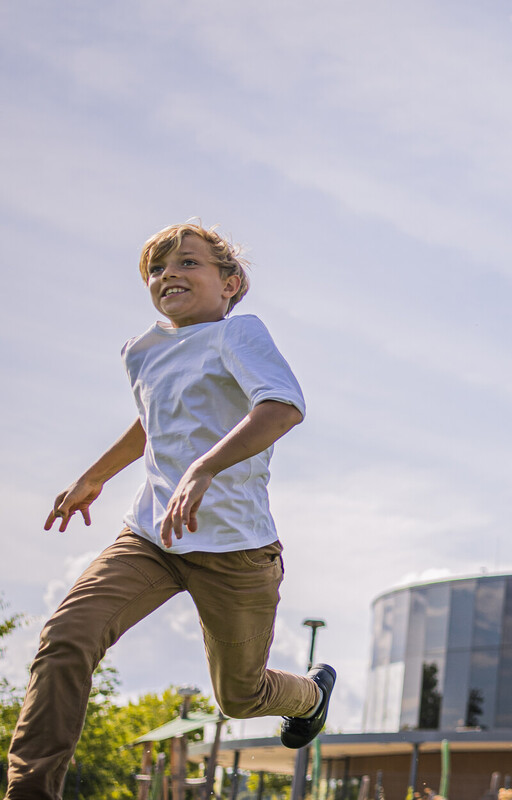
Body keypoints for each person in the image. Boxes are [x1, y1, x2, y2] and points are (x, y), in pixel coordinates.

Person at [9, 223, 336, 797]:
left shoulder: (238, 334)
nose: (168, 276)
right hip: (152, 538)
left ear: (230, 282)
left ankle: (310, 694)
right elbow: (154, 419)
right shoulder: (143, 351)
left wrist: (205, 467)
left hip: (235, 550)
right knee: (65, 637)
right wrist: (95, 475)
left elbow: (282, 407)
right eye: (157, 269)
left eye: (188, 263)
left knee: (240, 697)